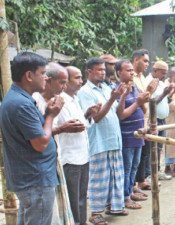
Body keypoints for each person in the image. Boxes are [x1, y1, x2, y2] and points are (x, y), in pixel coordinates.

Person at [0, 52, 63, 225]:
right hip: (35, 180)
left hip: (31, 177)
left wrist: (45, 115)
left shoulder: (19, 99)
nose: (46, 77)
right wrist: (50, 115)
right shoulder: (21, 104)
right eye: (42, 73)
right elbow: (41, 143)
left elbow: (33, 133)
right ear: (29, 76)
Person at [78, 58, 128, 225]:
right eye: (98, 70)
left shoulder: (106, 88)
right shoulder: (85, 92)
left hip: (113, 139)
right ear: (90, 72)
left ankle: (113, 206)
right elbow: (96, 118)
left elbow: (117, 113)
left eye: (103, 70)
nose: (102, 72)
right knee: (99, 178)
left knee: (115, 176)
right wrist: (113, 98)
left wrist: (122, 97)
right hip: (99, 142)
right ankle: (95, 213)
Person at [32, 62, 79, 224]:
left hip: (55, 159)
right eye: (62, 82)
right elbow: (36, 137)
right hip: (40, 165)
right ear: (49, 80)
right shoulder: (34, 102)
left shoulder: (57, 100)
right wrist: (61, 128)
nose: (65, 86)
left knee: (58, 209)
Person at [56, 66, 101, 225]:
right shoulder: (61, 101)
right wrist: (82, 120)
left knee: (82, 196)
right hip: (71, 158)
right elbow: (72, 125)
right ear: (65, 82)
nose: (81, 81)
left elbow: (81, 124)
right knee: (74, 199)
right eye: (76, 78)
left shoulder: (74, 99)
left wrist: (88, 114)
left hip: (82, 156)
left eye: (80, 77)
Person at [115, 60, 150, 210]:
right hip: (127, 137)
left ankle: (130, 191)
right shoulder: (117, 90)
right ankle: (124, 197)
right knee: (127, 167)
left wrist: (144, 97)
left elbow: (144, 110)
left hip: (138, 135)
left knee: (134, 166)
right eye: (128, 70)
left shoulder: (135, 87)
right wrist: (137, 101)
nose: (132, 73)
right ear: (119, 73)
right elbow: (121, 115)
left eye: (132, 70)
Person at [145, 61, 174, 179]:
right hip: (153, 120)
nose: (164, 76)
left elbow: (165, 100)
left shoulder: (161, 83)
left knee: (159, 149)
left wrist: (170, 93)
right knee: (151, 149)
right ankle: (150, 175)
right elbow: (151, 102)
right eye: (163, 73)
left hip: (162, 120)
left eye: (166, 73)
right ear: (155, 71)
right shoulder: (149, 83)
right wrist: (164, 94)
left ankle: (157, 172)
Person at [132, 49, 153, 191]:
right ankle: (133, 185)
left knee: (144, 153)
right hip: (135, 121)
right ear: (136, 60)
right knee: (134, 156)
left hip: (145, 120)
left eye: (147, 61)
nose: (147, 64)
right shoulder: (131, 77)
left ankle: (141, 180)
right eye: (145, 61)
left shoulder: (142, 77)